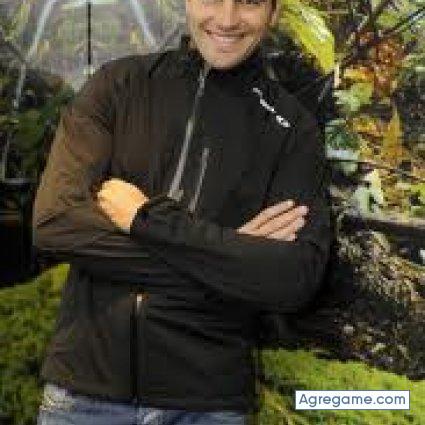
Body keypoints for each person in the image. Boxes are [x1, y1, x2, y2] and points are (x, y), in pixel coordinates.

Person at [33, 0, 331, 424]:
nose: (227, 19)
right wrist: (230, 258)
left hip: (208, 407)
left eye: (249, 2)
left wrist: (146, 219)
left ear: (273, 12)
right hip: (81, 399)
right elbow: (55, 225)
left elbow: (292, 279)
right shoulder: (118, 84)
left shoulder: (292, 129)